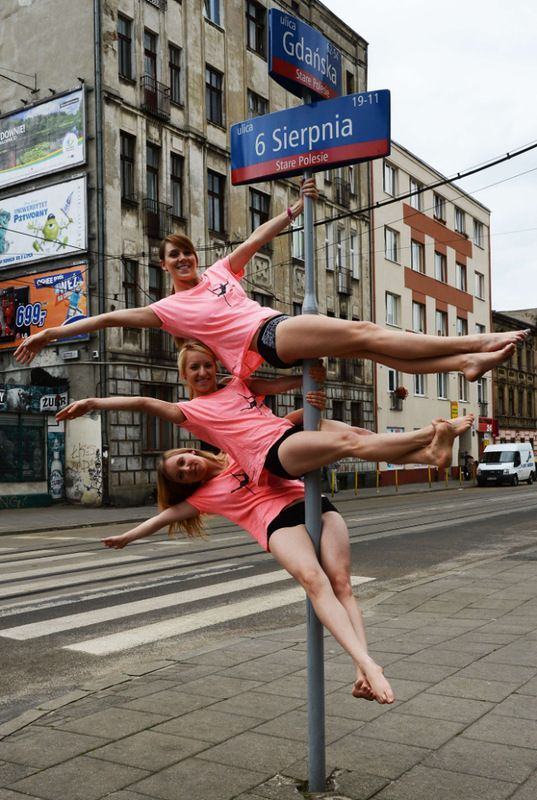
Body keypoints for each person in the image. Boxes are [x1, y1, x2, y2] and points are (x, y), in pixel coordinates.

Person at [14, 178, 527, 379]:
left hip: (277, 334)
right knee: (369, 331)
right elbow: (105, 317)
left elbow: (255, 241)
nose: (184, 259)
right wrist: (49, 332)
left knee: (370, 349)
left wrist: (292, 212)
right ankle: (485, 338)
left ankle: (463, 363)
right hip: (268, 334)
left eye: (187, 252)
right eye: (174, 257)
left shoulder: (219, 271)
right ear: (164, 267)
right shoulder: (169, 311)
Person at [101, 445, 394, 704]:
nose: (186, 469)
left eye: (181, 462)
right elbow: (165, 517)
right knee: (314, 581)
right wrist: (127, 537)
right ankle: (368, 664)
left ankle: (361, 673)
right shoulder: (205, 497)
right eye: (181, 476)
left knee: (342, 585)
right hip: (279, 524)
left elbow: (276, 433)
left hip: (317, 504)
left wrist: (309, 399)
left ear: (189, 451)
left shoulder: (236, 450)